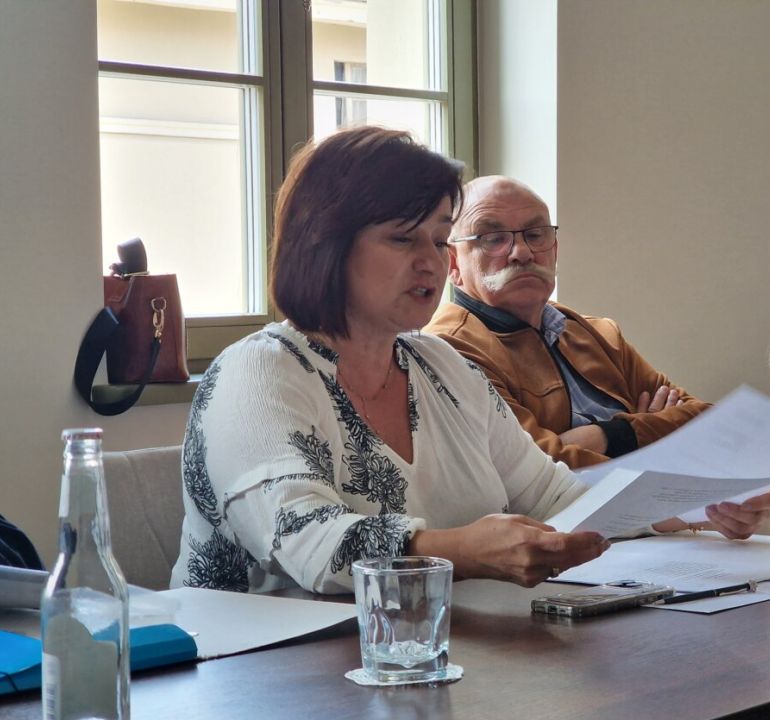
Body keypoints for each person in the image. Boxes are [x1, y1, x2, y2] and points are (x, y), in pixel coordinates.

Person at [170, 127, 612, 594]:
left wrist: (657, 515)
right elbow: (307, 542)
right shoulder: (257, 371)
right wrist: (463, 551)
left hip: (438, 636)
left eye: (439, 240)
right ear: (326, 243)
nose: (431, 262)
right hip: (268, 641)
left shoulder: (441, 365)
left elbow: (552, 496)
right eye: (403, 238)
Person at [427, 174, 770, 537]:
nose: (522, 252)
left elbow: (710, 425)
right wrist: (651, 438)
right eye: (492, 238)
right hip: (560, 550)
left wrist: (610, 434)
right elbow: (541, 472)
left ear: (554, 248)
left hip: (654, 541)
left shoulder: (596, 333)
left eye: (535, 234)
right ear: (453, 263)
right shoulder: (451, 349)